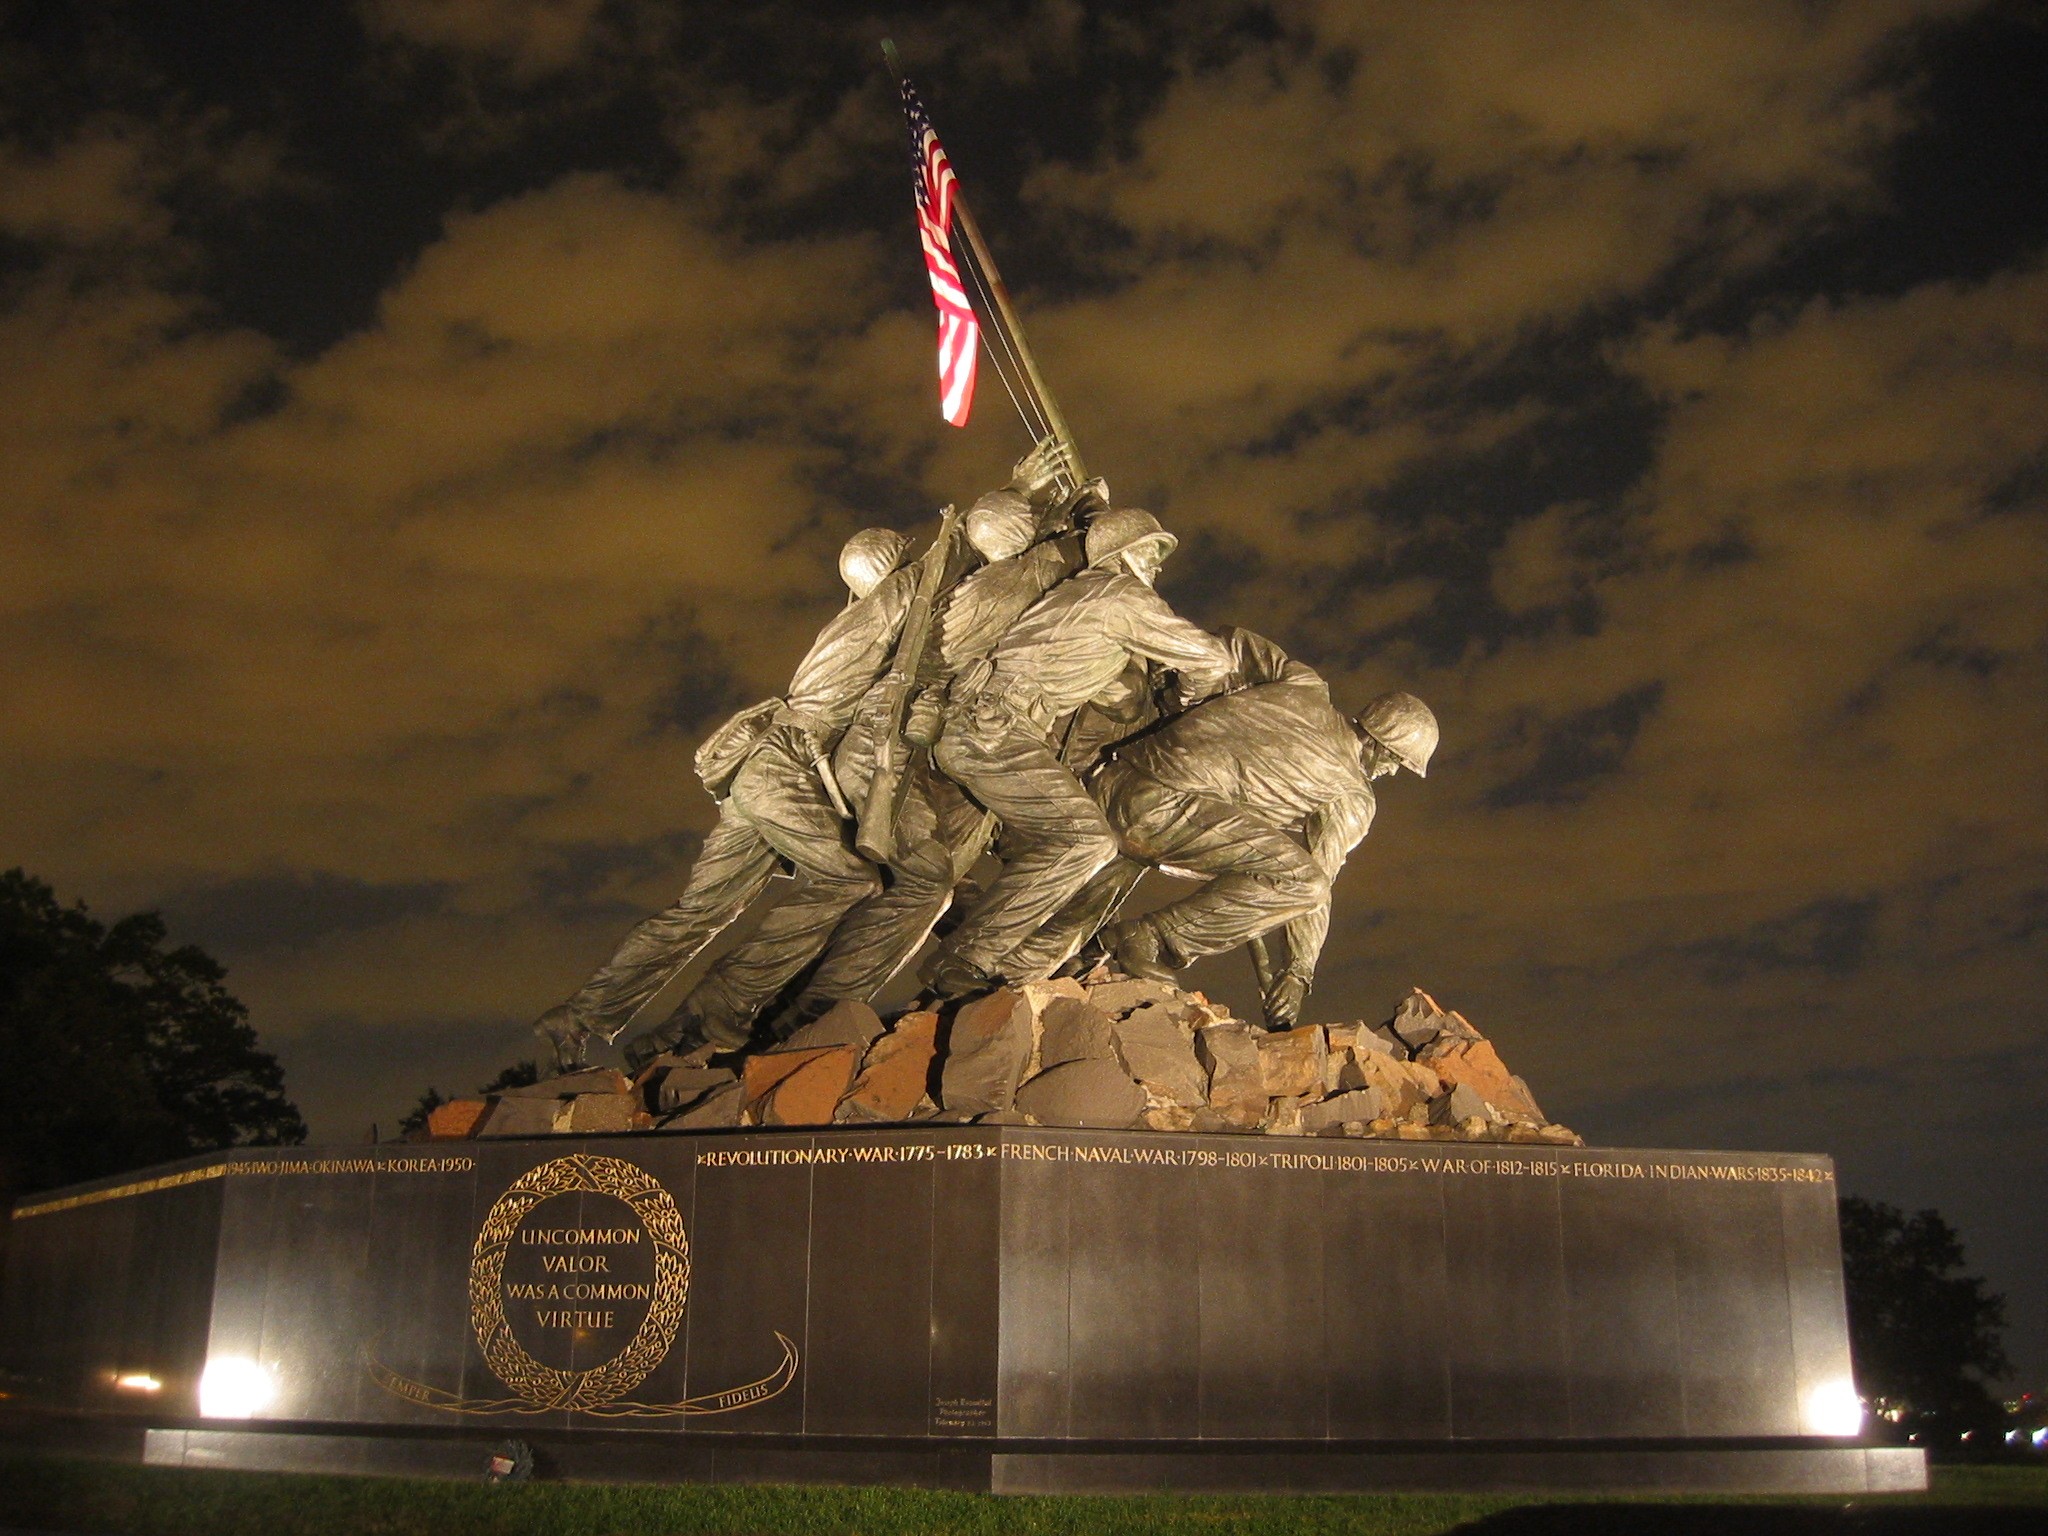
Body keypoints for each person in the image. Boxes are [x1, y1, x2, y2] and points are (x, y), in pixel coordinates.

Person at [530, 527, 920, 1072]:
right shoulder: (884, 608)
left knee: (698, 913)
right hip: (779, 769)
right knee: (851, 879)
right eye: (902, 559)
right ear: (889, 569)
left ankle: (580, 1016)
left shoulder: (849, 619)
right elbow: (932, 581)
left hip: (759, 772)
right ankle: (722, 1008)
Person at [1015, 629, 1436, 1028]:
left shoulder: (1303, 685)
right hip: (1160, 812)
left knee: (1070, 928)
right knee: (1299, 881)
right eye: (1398, 762)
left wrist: (1187, 692)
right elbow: (1316, 887)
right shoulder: (1352, 794)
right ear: (1382, 744)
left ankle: (1021, 976)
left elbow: (1232, 641)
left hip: (1114, 779)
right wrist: (1297, 972)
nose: (1393, 773)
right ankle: (1150, 940)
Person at [919, 505, 1234, 999]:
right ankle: (963, 959)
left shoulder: (1073, 594)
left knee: (1056, 849)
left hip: (996, 725)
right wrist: (1186, 700)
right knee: (1085, 840)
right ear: (1120, 555)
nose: (1157, 565)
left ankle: (998, 960)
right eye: (1150, 553)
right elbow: (1214, 658)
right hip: (996, 728)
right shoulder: (1121, 595)